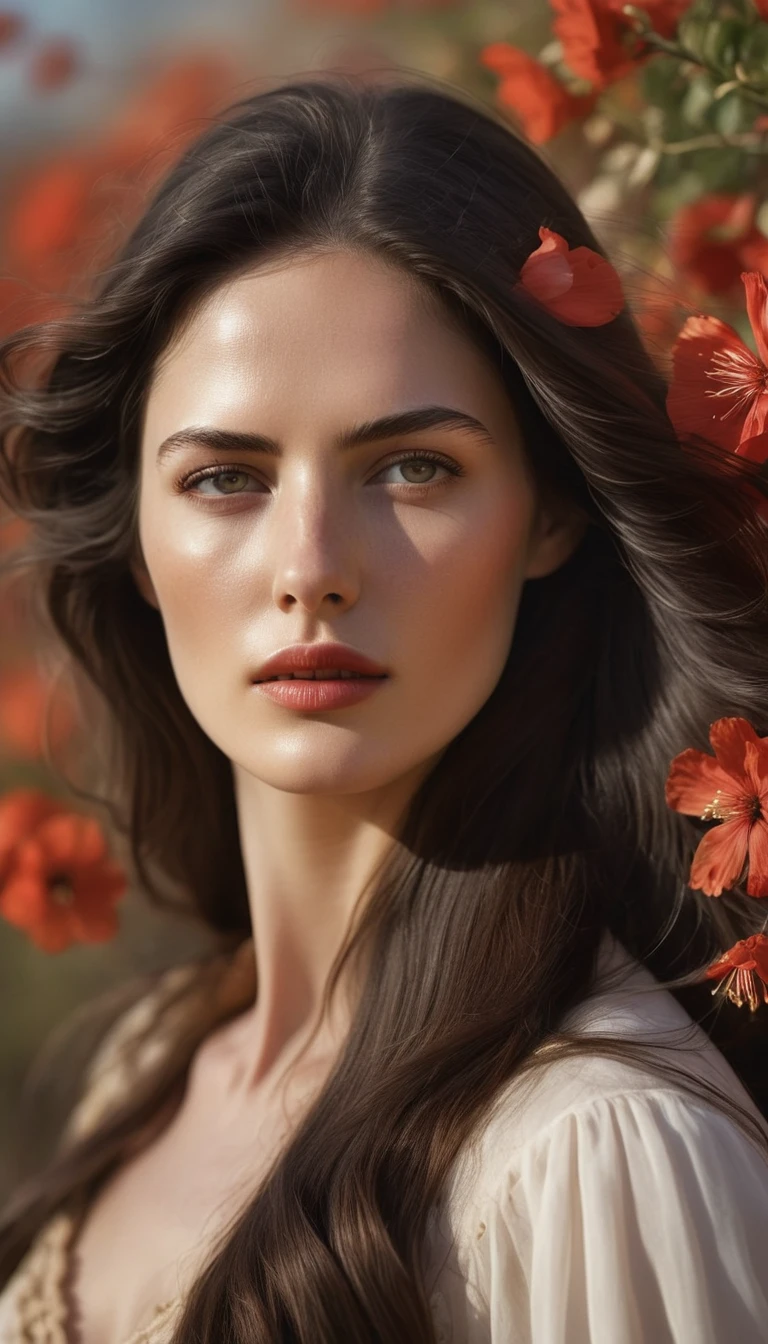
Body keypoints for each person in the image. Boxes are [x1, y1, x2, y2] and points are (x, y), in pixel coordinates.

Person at [0, 72, 767, 1344]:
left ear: (552, 512)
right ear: (135, 538)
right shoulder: (143, 1070)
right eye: (226, 476)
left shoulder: (593, 1156)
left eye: (415, 467)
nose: (313, 564)